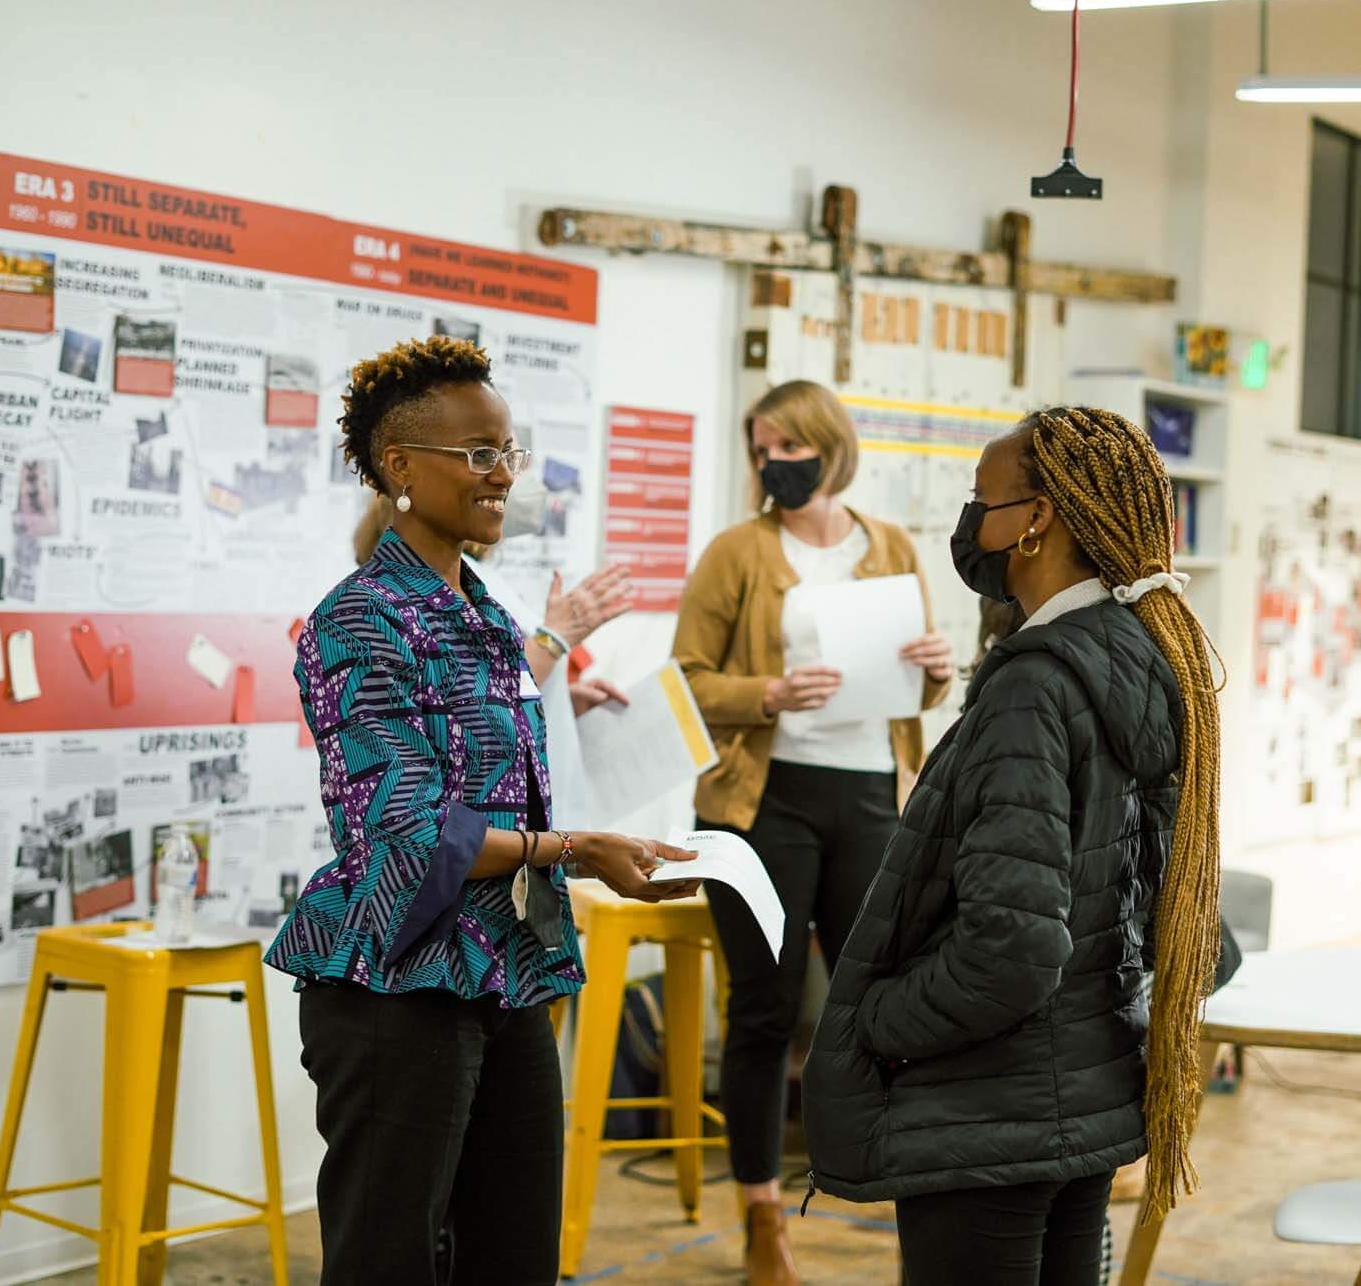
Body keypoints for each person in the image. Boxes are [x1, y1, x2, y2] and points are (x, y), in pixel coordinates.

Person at [268, 335, 698, 1286]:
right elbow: (413, 832)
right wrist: (576, 846)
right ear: (400, 468)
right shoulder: (358, 620)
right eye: (478, 454)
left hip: (505, 968)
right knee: (388, 1261)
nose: (503, 474)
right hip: (395, 987)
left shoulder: (491, 616)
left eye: (509, 450)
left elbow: (495, 777)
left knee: (513, 1257)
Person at [801, 404, 1224, 1286]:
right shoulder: (1139, 657)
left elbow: (1012, 949)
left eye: (980, 499)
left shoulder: (1034, 687)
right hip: (1083, 1092)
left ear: (1036, 520)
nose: (969, 523)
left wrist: (877, 1020)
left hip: (990, 1111)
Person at [671, 378, 955, 1285]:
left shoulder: (894, 546)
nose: (774, 465)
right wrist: (766, 693)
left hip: (872, 793)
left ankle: (887, 1183)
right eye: (760, 450)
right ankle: (762, 1215)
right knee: (764, 1008)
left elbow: (923, 684)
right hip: (764, 802)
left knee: (876, 1004)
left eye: (789, 448)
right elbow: (685, 679)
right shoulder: (736, 552)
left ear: (829, 449)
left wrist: (940, 670)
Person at [351, 498, 633, 828]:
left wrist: (559, 702)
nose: (505, 477)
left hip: (531, 825)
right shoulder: (401, 594)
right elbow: (469, 696)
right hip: (479, 833)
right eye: (485, 454)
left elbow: (489, 686)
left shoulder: (473, 579)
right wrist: (553, 640)